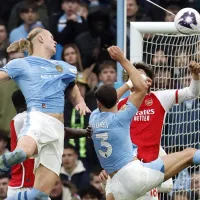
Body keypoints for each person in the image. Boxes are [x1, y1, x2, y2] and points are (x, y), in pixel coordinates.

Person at [90, 46, 200, 200]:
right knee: (188, 155)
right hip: (129, 171)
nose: (136, 79)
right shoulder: (120, 105)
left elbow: (192, 93)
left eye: (139, 76)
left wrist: (195, 77)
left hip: (146, 170)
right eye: (133, 77)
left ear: (149, 81)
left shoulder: (160, 98)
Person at [0, 27, 90, 199]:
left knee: (41, 195)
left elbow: (72, 88)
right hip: (38, 116)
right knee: (22, 152)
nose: (55, 41)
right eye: (51, 37)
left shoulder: (64, 67)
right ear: (40, 39)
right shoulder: (21, 63)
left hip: (57, 128)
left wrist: (80, 102)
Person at [7, 89, 92, 197]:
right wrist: (84, 132)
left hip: (29, 185)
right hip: (24, 186)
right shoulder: (24, 118)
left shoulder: (22, 119)